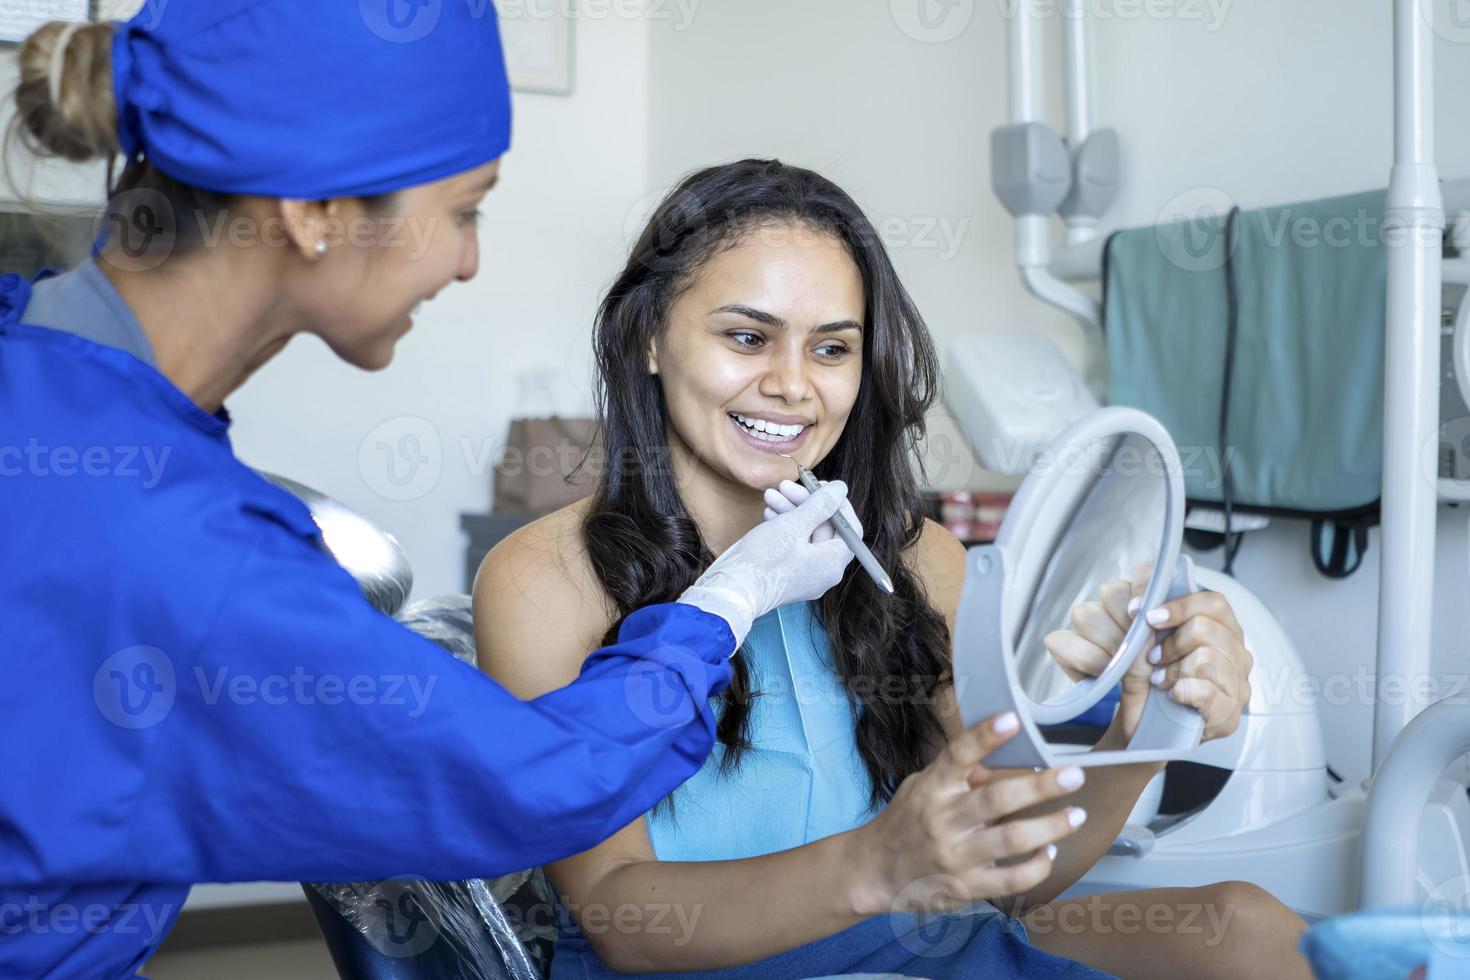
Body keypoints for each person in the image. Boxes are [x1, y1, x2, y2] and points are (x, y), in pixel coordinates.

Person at [0, 7, 859, 978]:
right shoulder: (182, 540)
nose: (468, 259)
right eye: (464, 210)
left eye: (834, 345)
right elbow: (527, 780)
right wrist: (726, 600)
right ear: (315, 210)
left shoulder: (51, 387)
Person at [475, 159, 1311, 979]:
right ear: (652, 338)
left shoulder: (918, 558)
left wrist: (1144, 733)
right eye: (746, 336)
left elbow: (1014, 876)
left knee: (1246, 929)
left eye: (831, 349)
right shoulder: (544, 580)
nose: (792, 385)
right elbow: (625, 923)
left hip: (922, 947)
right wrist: (879, 862)